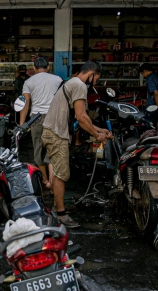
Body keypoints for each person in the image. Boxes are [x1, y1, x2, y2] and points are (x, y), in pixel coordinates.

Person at [41, 61, 112, 228]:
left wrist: (99, 129)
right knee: (61, 174)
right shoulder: (79, 85)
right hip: (56, 134)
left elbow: (83, 120)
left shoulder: (72, 82)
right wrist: (97, 135)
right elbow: (81, 117)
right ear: (91, 74)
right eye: (96, 80)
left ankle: (57, 206)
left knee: (59, 171)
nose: (95, 84)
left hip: (52, 132)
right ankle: (61, 214)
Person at [19, 57, 61, 191]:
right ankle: (53, 181)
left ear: (34, 69)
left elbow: (25, 103)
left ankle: (45, 179)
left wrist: (22, 124)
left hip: (36, 119)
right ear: (48, 67)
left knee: (38, 149)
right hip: (53, 118)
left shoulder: (28, 81)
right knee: (52, 150)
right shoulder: (58, 79)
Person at [139, 63, 158, 130]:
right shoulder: (157, 77)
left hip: (152, 107)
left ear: (145, 70)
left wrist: (157, 106)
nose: (143, 75)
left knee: (149, 125)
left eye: (142, 73)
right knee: (154, 124)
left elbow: (156, 93)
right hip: (157, 103)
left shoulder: (149, 79)